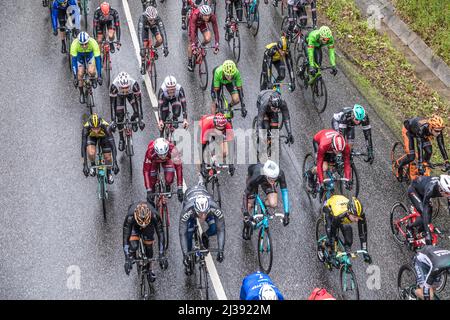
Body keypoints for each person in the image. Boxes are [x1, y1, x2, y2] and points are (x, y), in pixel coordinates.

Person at [180, 179, 225, 275]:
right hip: (189, 198)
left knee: (214, 228)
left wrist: (221, 250)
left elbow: (221, 229)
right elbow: (182, 233)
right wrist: (185, 255)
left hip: (205, 198)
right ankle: (189, 262)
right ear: (196, 210)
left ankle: (205, 235)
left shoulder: (214, 207)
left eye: (205, 213)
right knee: (188, 234)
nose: (203, 216)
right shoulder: (188, 209)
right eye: (200, 214)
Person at [242, 160, 290, 240]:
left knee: (273, 203)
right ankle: (246, 225)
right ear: (266, 175)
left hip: (265, 180)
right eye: (271, 179)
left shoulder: (280, 174)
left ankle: (263, 204)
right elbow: (245, 195)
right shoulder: (257, 175)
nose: (273, 182)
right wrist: (246, 214)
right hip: (255, 177)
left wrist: (287, 213)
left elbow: (284, 192)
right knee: (249, 204)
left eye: (275, 179)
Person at [123, 201, 168, 283]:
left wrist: (162, 255)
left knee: (149, 247)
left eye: (144, 223)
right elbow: (125, 239)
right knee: (133, 245)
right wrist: (127, 258)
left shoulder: (154, 215)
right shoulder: (130, 216)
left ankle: (150, 268)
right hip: (134, 225)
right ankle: (133, 254)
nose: (143, 225)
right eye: (141, 223)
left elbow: (161, 235)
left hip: (149, 225)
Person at [395, 115, 450, 181]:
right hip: (408, 131)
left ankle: (423, 165)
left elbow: (441, 145)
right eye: (436, 131)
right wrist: (420, 164)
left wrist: (446, 161)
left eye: (440, 131)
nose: (438, 133)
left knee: (429, 151)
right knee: (411, 156)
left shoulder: (437, 129)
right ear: (430, 127)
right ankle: (399, 165)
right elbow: (419, 146)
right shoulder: (421, 129)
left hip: (422, 134)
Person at [320, 195, 371, 264]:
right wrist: (333, 251)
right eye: (354, 217)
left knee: (348, 231)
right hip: (329, 210)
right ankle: (322, 247)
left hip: (339, 204)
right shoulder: (339, 215)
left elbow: (363, 233)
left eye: (358, 217)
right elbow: (333, 231)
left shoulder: (360, 214)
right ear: (349, 213)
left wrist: (365, 251)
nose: (356, 220)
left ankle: (346, 247)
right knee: (331, 236)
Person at [407, 175, 450, 245]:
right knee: (424, 214)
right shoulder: (431, 189)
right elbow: (425, 210)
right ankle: (409, 227)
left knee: (428, 216)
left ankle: (420, 232)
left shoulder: (446, 190)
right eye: (447, 193)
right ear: (441, 189)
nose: (448, 195)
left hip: (423, 189)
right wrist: (428, 234)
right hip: (414, 190)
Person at [109, 72, 145, 151]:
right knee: (120, 116)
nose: (125, 90)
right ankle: (121, 138)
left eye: (126, 87)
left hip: (131, 94)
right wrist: (113, 121)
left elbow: (139, 103)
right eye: (123, 88)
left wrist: (140, 119)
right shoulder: (114, 86)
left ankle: (132, 120)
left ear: (129, 84)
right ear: (119, 85)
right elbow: (112, 105)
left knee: (136, 111)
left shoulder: (134, 85)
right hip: (119, 96)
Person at [143, 138, 184, 206]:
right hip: (154, 160)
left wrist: (180, 187)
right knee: (152, 178)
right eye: (160, 155)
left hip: (168, 160)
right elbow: (146, 171)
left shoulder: (173, 150)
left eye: (164, 154)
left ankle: (167, 185)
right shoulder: (150, 152)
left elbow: (179, 168)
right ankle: (153, 190)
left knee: (169, 178)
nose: (162, 157)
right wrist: (148, 190)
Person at [81, 113, 119, 184]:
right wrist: (85, 165)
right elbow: (83, 147)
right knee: (91, 153)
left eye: (97, 128)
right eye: (93, 128)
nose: (96, 131)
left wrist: (115, 163)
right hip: (91, 137)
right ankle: (93, 164)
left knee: (107, 157)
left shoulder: (106, 127)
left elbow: (113, 146)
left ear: (100, 125)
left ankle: (109, 173)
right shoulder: (86, 128)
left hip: (104, 137)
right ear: (90, 126)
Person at [71, 31, 102, 104]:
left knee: (91, 71)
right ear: (79, 43)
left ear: (88, 41)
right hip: (79, 56)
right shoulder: (74, 45)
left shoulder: (93, 43)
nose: (84, 46)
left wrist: (99, 75)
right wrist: (75, 77)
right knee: (80, 74)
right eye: (82, 44)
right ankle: (81, 93)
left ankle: (93, 77)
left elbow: (98, 60)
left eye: (86, 43)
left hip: (89, 55)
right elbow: (74, 63)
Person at [138, 6, 169, 75]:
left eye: (154, 19)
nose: (152, 21)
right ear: (146, 17)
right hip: (144, 28)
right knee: (144, 44)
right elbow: (140, 34)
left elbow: (163, 32)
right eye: (150, 20)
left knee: (160, 40)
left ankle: (154, 47)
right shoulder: (142, 18)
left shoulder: (157, 18)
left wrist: (166, 47)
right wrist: (142, 48)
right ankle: (143, 63)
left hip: (153, 28)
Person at [188, 5, 220, 71]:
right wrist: (193, 45)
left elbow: (216, 30)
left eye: (208, 15)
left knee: (208, 38)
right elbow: (192, 31)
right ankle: (190, 61)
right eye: (205, 15)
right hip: (194, 23)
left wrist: (217, 43)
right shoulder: (195, 15)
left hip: (202, 24)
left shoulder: (212, 16)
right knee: (191, 42)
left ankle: (201, 46)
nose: (207, 17)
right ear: (201, 14)